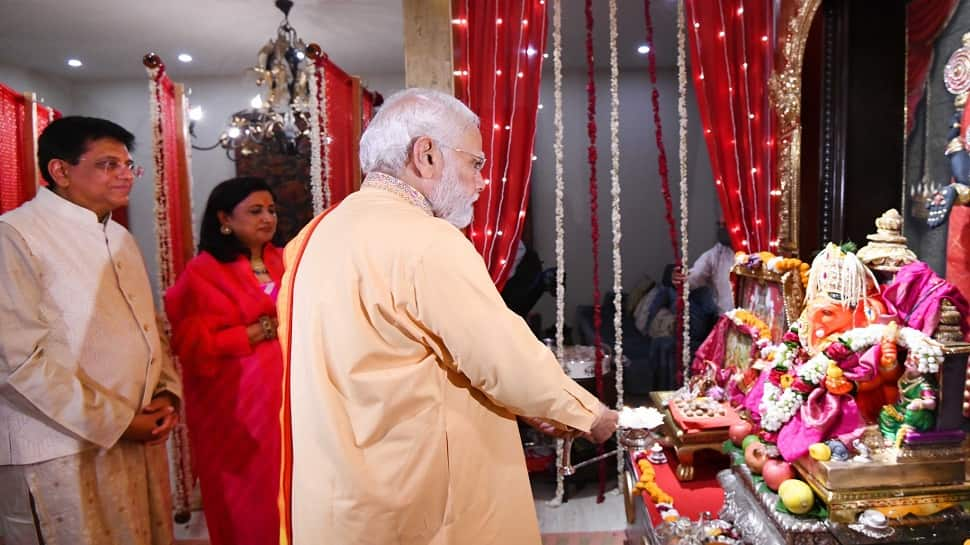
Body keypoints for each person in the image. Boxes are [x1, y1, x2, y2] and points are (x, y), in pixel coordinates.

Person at [278, 88, 619, 545]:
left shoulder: (313, 237)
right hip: (420, 504)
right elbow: (501, 359)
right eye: (475, 164)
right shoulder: (425, 240)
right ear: (427, 155)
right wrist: (588, 414)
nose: (482, 183)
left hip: (339, 500)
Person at [0, 116, 181, 544]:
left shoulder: (119, 236)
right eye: (107, 164)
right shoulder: (16, 235)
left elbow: (148, 324)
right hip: (58, 447)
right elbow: (18, 363)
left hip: (135, 436)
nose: (124, 175)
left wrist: (165, 393)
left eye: (127, 164)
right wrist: (119, 422)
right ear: (60, 171)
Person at [164, 177, 283, 545]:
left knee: (292, 488)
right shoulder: (203, 271)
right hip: (233, 406)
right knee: (245, 499)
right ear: (224, 219)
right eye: (255, 211)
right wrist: (260, 331)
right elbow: (188, 343)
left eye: (271, 210)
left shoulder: (287, 259)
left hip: (289, 398)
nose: (267, 218)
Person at [673, 217, 735, 315]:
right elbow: (695, 276)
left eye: (725, 225)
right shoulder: (717, 253)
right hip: (725, 319)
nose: (721, 229)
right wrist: (680, 278)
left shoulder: (756, 251)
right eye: (719, 225)